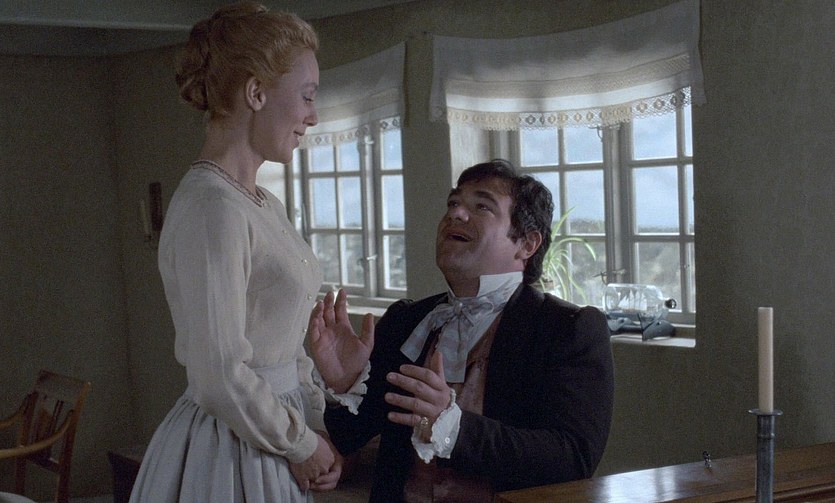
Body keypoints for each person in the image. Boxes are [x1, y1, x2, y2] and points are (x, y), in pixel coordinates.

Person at [308, 159, 615, 502]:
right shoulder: (407, 320)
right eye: (453, 203)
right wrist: (346, 383)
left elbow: (572, 459)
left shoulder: (568, 330)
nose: (455, 214)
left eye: (482, 206)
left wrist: (452, 427)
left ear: (527, 244)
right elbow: (349, 436)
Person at [129, 3, 340, 501]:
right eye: (307, 96)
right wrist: (299, 442)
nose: (312, 116)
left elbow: (284, 346)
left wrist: (314, 426)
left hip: (272, 436)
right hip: (230, 451)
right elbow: (219, 373)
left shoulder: (261, 202)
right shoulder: (213, 207)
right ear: (256, 92)